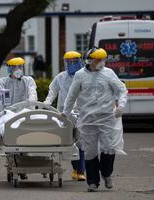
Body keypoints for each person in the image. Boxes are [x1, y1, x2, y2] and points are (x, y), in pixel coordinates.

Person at [61, 47, 128, 192]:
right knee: (90, 151)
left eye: (103, 60)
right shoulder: (80, 75)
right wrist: (66, 112)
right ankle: (92, 182)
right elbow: (71, 96)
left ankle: (106, 173)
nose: (101, 62)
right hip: (87, 119)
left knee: (109, 148)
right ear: (90, 60)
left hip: (107, 118)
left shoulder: (109, 73)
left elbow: (121, 89)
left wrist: (121, 106)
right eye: (98, 60)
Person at [44, 51, 86, 181]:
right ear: (65, 63)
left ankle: (81, 171)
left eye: (75, 61)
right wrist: (47, 103)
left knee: (81, 142)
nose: (72, 64)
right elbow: (53, 91)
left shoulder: (85, 76)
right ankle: (76, 169)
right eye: (69, 62)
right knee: (69, 142)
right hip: (64, 114)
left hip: (81, 113)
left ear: (80, 61)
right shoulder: (61, 77)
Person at [0, 57, 38, 180]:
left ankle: (23, 165)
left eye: (20, 67)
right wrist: (3, 114)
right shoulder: (3, 82)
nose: (18, 69)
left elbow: (32, 93)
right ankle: (15, 163)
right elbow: (1, 102)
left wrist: (32, 104)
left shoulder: (28, 80)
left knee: (24, 139)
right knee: (13, 135)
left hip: (25, 113)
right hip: (9, 113)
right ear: (10, 68)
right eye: (15, 67)